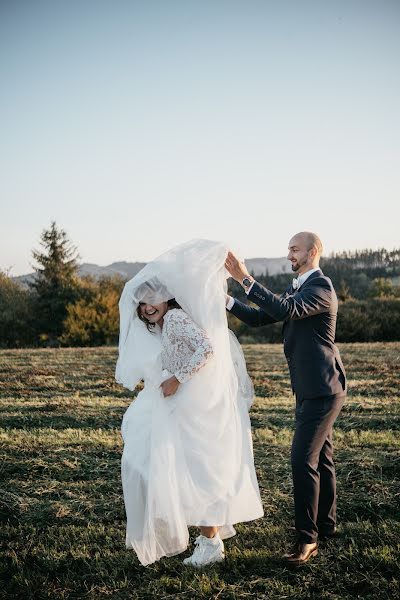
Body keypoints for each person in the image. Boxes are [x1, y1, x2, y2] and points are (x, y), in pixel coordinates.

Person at [115, 239, 263, 567]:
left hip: (189, 402)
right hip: (180, 401)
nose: (146, 307)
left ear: (166, 296)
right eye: (141, 304)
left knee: (188, 470)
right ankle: (209, 535)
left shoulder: (177, 319)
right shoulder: (166, 323)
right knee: (180, 467)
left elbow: (206, 350)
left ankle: (209, 543)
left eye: (150, 299)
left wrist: (176, 378)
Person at [225, 231, 346, 566]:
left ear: (313, 252)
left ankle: (307, 540)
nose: (289, 255)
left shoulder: (321, 288)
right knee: (321, 458)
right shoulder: (299, 287)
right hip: (311, 388)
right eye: (289, 250)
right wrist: (224, 301)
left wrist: (244, 278)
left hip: (323, 389)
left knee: (301, 460)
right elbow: (261, 316)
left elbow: (284, 308)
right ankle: (327, 525)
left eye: (294, 249)